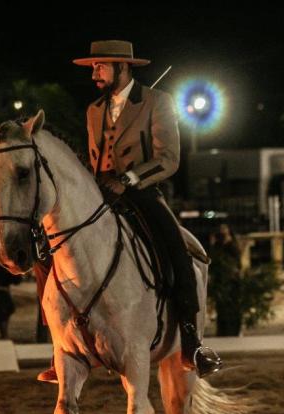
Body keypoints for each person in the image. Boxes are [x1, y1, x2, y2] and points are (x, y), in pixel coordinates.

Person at [36, 40, 221, 383]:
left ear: (123, 67)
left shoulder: (156, 102)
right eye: (93, 67)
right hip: (100, 194)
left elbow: (169, 158)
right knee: (49, 253)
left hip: (143, 191)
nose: (94, 73)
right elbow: (93, 161)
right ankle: (59, 345)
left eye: (100, 66)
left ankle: (191, 341)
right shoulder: (93, 110)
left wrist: (129, 179)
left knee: (176, 251)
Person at [208, 224, 243, 336]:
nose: (222, 231)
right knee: (221, 306)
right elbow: (212, 259)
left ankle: (234, 330)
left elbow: (237, 261)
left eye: (224, 229)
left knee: (233, 305)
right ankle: (223, 330)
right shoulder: (218, 245)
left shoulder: (232, 245)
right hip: (220, 280)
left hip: (231, 279)